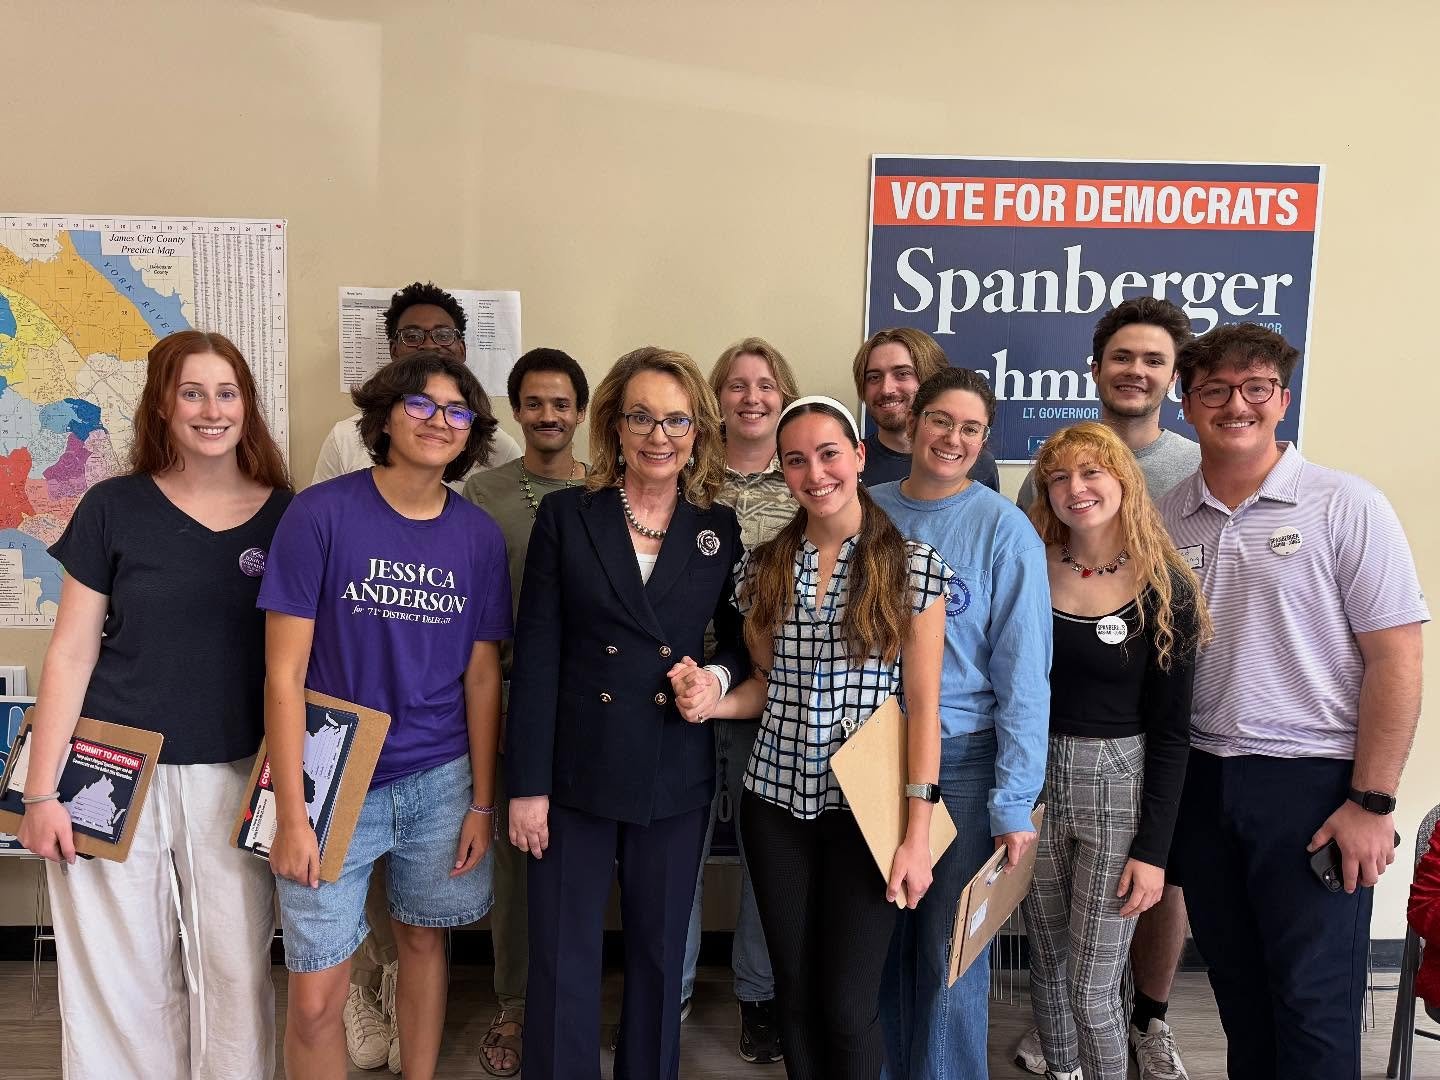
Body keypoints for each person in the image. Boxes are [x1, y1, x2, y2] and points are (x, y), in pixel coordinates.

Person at [18, 330, 292, 1079]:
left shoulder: (289, 516)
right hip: (108, 766)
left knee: (235, 970)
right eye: (192, 392)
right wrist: (41, 792)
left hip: (235, 768)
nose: (211, 409)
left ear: (247, 405)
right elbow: (71, 653)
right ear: (163, 405)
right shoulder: (113, 508)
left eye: (226, 392)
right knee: (118, 971)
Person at [1159, 324, 1428, 1080]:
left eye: (1256, 388)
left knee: (1314, 1010)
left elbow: (1397, 659)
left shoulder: (1347, 506)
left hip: (1315, 790)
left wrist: (1371, 800)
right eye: (1214, 389)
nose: (1235, 405)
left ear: (1282, 398)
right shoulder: (1168, 516)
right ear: (1187, 403)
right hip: (1206, 784)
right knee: (1239, 998)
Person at [260, 351, 512, 1080]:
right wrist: (292, 811)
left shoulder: (477, 536)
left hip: (440, 778)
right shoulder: (320, 514)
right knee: (315, 991)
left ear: (472, 431)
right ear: (385, 416)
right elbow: (284, 673)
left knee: (424, 945)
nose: (440, 421)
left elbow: (483, 675)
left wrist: (482, 803)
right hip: (330, 779)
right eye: (421, 404)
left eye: (457, 410)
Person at [684, 395, 949, 1080]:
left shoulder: (912, 568)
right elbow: (768, 686)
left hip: (870, 812)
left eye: (829, 454)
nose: (815, 472)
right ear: (782, 469)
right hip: (775, 806)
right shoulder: (763, 568)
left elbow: (923, 709)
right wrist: (711, 700)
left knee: (846, 1001)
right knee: (794, 995)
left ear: (859, 456)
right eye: (795, 459)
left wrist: (916, 836)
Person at [505, 347, 749, 1080]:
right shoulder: (566, 515)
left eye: (677, 419)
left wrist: (714, 675)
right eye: (641, 416)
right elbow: (538, 651)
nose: (658, 435)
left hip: (671, 768)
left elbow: (742, 640)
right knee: (562, 954)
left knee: (656, 952)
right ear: (613, 424)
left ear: (699, 431)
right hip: (573, 768)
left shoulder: (718, 526)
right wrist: (527, 786)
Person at [1012, 297, 1200, 1079]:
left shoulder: (1167, 586)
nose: (1075, 488)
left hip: (1117, 783)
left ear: (1122, 478)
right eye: (1059, 477)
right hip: (1036, 777)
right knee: (1048, 972)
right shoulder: (1027, 567)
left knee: (1093, 984)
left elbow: (1173, 730)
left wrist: (1154, 853)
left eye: (1092, 472)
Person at [870, 367, 1051, 1079]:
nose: (953, 437)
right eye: (941, 420)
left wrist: (1014, 800)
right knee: (879, 944)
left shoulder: (1003, 530)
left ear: (984, 442)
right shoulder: (866, 509)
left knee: (950, 954)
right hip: (873, 759)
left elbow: (1023, 677)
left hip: (967, 762)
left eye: (971, 428)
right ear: (913, 423)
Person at [461, 346, 590, 1077]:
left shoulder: (610, 488)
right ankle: (514, 1005)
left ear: (579, 410)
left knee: (586, 863)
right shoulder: (484, 495)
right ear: (517, 411)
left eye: (561, 402)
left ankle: (572, 1005)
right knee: (516, 866)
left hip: (595, 708)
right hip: (508, 700)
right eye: (534, 403)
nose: (548, 415)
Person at [679, 336, 797, 1064]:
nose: (751, 397)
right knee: (675, 851)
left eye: (765, 385)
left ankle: (759, 992)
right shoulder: (688, 478)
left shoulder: (807, 479)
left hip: (778, 694)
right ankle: (675, 984)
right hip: (684, 687)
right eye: (735, 385)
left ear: (784, 396)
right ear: (715, 399)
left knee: (766, 852)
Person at [313, 280, 520, 488]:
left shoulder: (500, 448)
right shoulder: (345, 438)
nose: (429, 344)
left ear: (462, 350)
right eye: (412, 336)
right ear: (393, 350)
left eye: (443, 335)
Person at [852, 327, 1000, 490]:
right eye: (874, 377)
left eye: (902, 374)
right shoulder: (848, 464)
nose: (886, 389)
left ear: (932, 379)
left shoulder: (978, 464)